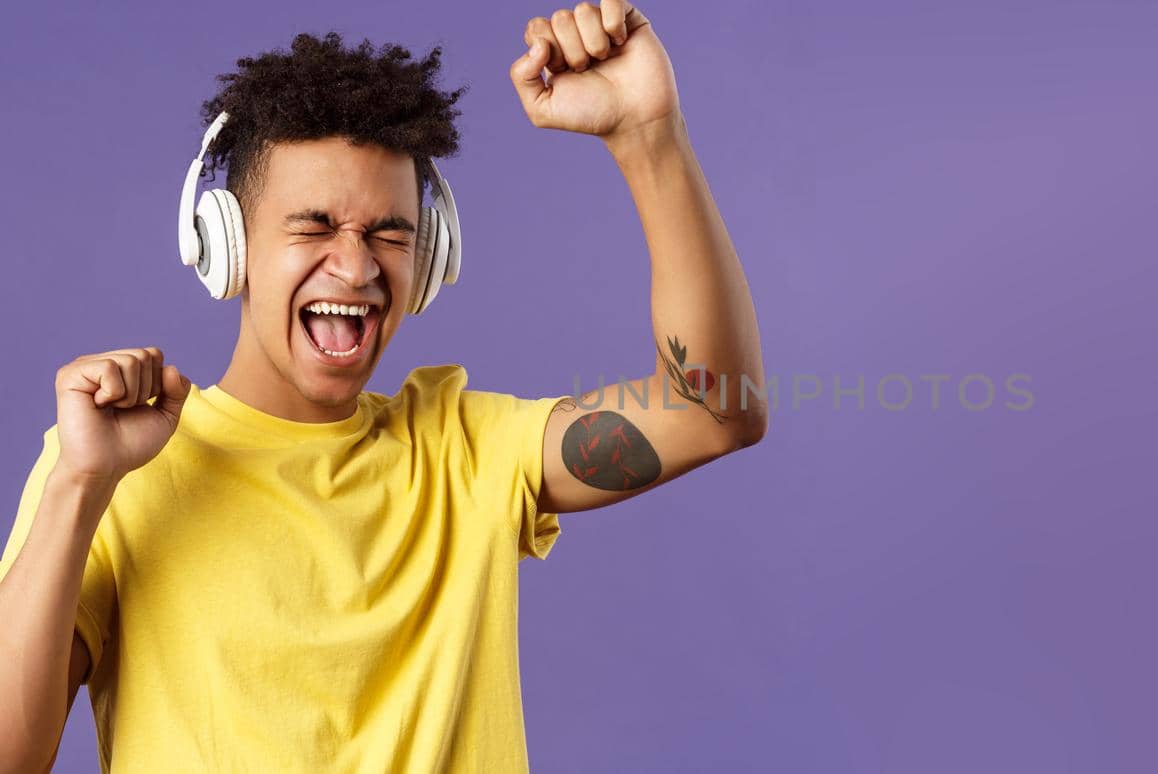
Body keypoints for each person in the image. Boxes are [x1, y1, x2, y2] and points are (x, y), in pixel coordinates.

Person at [0, 2, 767, 770]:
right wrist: (79, 483)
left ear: (430, 261)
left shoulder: (464, 451)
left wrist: (647, 136)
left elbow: (713, 410)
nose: (357, 266)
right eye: (314, 226)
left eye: (389, 233)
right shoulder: (109, 474)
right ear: (223, 245)